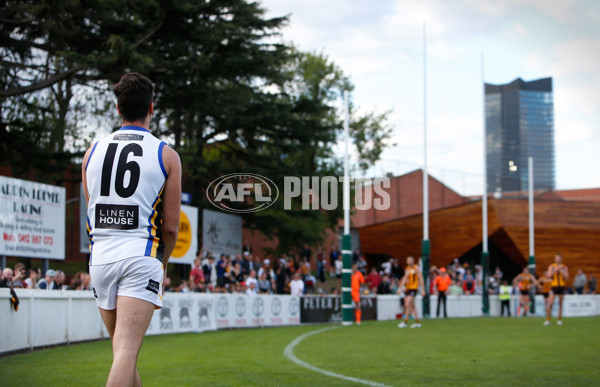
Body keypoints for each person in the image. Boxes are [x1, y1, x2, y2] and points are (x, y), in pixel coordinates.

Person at [82, 72, 181, 386]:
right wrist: (161, 264)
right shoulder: (166, 155)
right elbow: (172, 227)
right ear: (152, 108)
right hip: (140, 255)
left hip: (100, 257)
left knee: (122, 354)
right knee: (126, 351)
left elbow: (91, 207)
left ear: (117, 108)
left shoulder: (91, 152)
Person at [398, 256, 425, 328]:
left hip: (414, 288)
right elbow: (404, 279)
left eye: (411, 260)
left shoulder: (416, 268)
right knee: (412, 306)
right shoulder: (407, 269)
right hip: (408, 289)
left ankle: (405, 321)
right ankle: (417, 322)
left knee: (408, 303)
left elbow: (421, 278)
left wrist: (422, 289)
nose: (410, 261)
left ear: (413, 260)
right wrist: (400, 288)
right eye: (408, 260)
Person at [544, 254, 569, 326]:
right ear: (555, 259)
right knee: (550, 303)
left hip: (561, 286)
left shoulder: (564, 267)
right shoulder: (552, 266)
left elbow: (567, 277)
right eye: (556, 258)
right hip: (554, 286)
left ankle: (559, 319)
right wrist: (555, 271)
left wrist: (562, 272)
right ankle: (548, 319)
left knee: (560, 304)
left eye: (559, 258)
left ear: (561, 259)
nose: (557, 259)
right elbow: (548, 275)